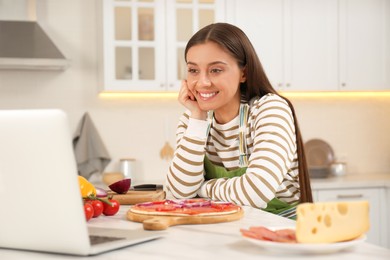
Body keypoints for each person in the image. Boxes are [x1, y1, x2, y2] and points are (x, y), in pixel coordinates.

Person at [166, 23, 312, 219]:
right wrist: (198, 119)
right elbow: (179, 194)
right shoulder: (193, 119)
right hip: (228, 228)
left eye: (215, 70)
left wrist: (202, 188)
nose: (202, 82)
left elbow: (256, 191)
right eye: (193, 70)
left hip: (282, 229)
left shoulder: (269, 109)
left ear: (243, 72)